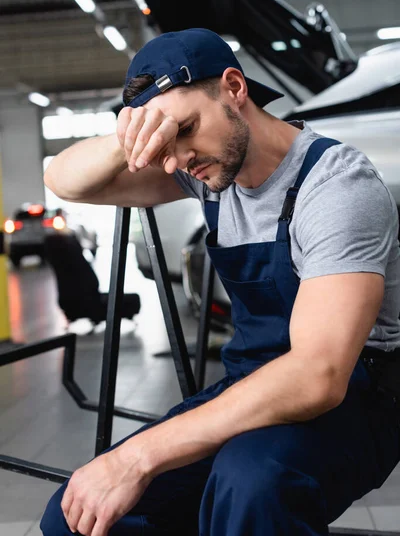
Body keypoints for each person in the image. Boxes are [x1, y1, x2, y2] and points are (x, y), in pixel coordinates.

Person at [41, 28, 400, 536]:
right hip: (251, 384)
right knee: (72, 519)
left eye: (184, 128)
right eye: (164, 142)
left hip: (357, 398)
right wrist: (136, 136)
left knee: (251, 483)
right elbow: (62, 179)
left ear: (234, 87)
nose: (178, 156)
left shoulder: (336, 185)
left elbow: (318, 376)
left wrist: (138, 456)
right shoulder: (206, 172)